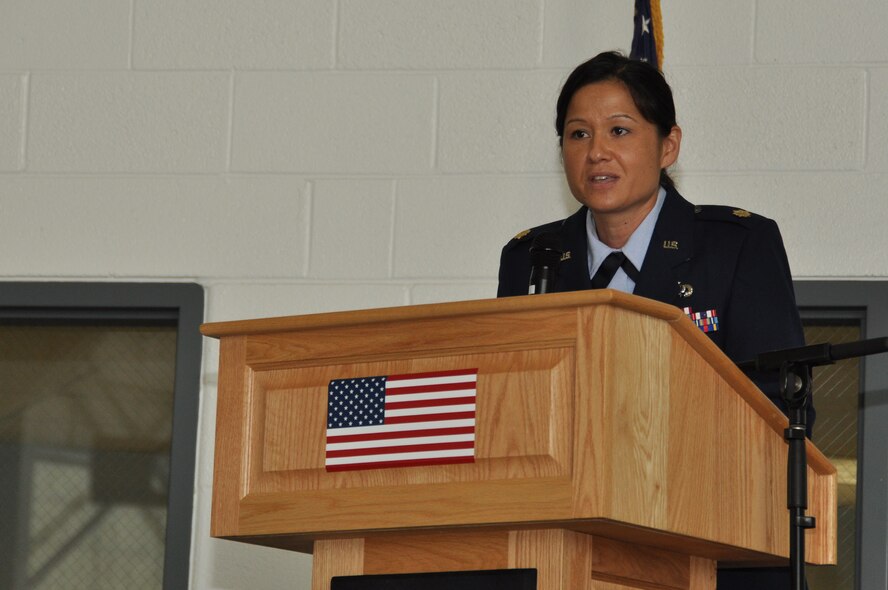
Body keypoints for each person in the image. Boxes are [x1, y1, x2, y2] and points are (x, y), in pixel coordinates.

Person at [497, 51, 812, 590]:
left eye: (619, 130)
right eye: (578, 135)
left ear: (669, 145)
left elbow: (776, 411)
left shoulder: (736, 245)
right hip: (564, 549)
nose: (597, 152)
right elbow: (513, 415)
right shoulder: (532, 258)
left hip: (710, 547)